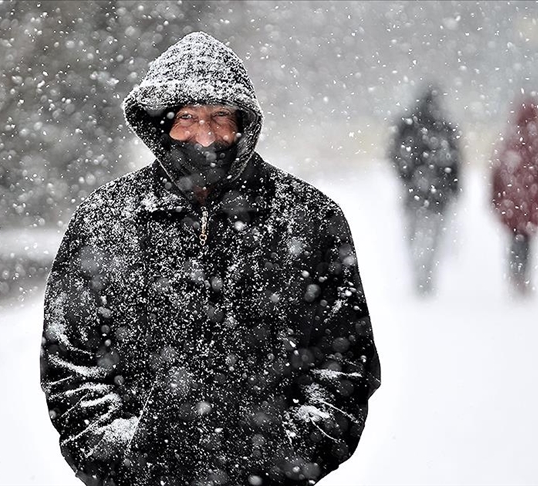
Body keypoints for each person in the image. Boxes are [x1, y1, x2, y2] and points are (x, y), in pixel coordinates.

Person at [40, 32, 381, 486]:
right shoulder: (105, 221)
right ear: (161, 124)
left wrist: (287, 460)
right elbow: (70, 364)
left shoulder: (308, 218)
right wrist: (122, 461)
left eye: (220, 115)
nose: (205, 135)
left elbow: (346, 364)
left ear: (243, 123)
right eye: (187, 117)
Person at [388, 84, 462, 296]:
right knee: (432, 238)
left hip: (417, 192)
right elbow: (455, 162)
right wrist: (454, 187)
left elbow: (395, 155)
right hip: (437, 194)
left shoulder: (408, 125)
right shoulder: (444, 127)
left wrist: (408, 177)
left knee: (414, 236)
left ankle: (420, 275)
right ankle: (425, 276)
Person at [491, 94, 538, 296]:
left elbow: (496, 172)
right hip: (529, 205)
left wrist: (497, 199)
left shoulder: (510, 140)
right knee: (525, 242)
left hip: (512, 204)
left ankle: (515, 276)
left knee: (514, 240)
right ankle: (521, 277)